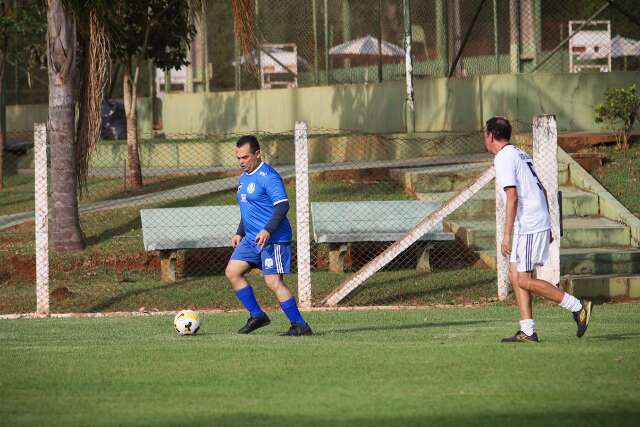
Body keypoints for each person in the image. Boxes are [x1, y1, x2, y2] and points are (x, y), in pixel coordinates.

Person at [484, 116, 592, 343]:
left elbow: (511, 197)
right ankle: (528, 330)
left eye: (485, 134)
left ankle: (578, 306)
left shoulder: (503, 157)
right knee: (515, 275)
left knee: (523, 279)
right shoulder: (519, 153)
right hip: (535, 220)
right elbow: (541, 188)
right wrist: (549, 222)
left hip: (528, 224)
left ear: (490, 135)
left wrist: (506, 236)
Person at [225, 135, 312, 336]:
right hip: (251, 239)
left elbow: (282, 205)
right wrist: (240, 232)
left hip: (273, 239)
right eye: (238, 157)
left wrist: (267, 230)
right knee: (232, 272)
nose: (241, 162)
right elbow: (249, 209)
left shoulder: (269, 176)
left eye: (245, 157)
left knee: (273, 282)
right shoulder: (244, 177)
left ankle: (300, 325)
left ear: (257, 154)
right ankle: (257, 315)